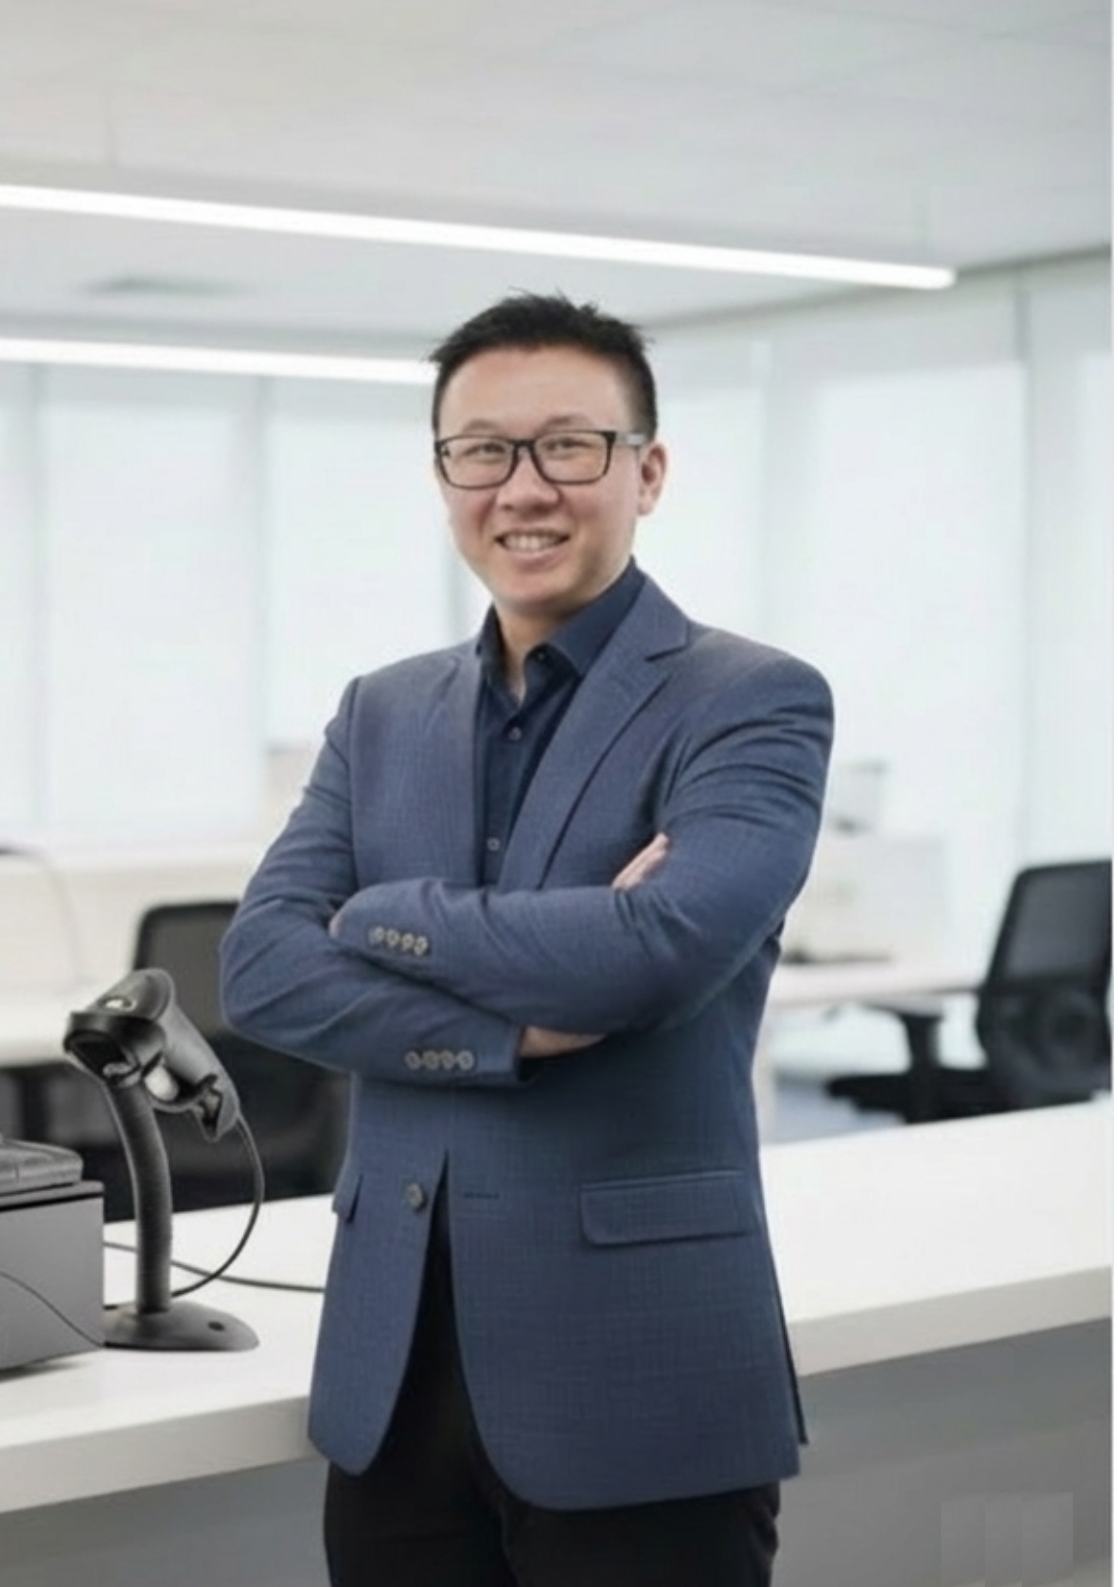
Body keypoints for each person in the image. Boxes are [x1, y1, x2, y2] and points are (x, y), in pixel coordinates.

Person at [219, 292, 831, 1587]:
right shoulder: (381, 709)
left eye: (570, 446)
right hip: (397, 1370)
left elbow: (654, 951)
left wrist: (385, 914)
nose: (523, 488)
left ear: (646, 471)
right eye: (481, 451)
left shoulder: (751, 699)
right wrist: (508, 1026)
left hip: (636, 1366)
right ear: (444, 474)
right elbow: (262, 966)